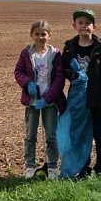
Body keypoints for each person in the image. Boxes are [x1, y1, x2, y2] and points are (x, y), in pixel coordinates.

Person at [61, 8, 101, 177]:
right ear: (74, 26)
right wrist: (73, 74)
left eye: (88, 23)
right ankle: (83, 168)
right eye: (80, 23)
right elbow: (62, 70)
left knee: (99, 135)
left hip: (96, 98)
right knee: (79, 135)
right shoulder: (70, 48)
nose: (84, 26)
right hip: (77, 99)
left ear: (94, 27)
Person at [14, 20, 66, 180]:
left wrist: (48, 97)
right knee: (30, 135)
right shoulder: (26, 53)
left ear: (49, 36)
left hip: (50, 103)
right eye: (37, 34)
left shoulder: (55, 54)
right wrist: (27, 83)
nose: (40, 37)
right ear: (32, 35)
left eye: (43, 34)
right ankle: (30, 166)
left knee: (51, 135)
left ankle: (52, 167)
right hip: (32, 102)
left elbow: (59, 78)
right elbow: (18, 72)